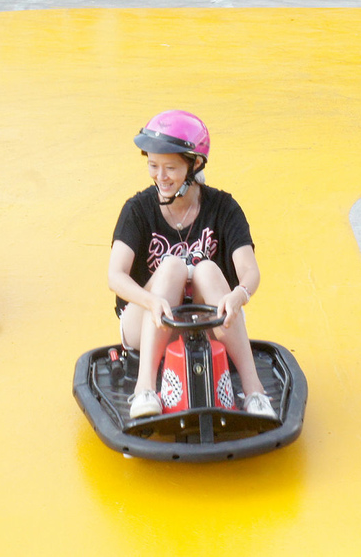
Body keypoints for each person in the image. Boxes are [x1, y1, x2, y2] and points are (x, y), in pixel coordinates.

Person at [107, 110, 277, 420]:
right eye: (153, 166)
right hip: (147, 321)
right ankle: (144, 388)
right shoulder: (138, 209)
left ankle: (254, 391)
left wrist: (238, 296)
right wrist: (151, 300)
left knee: (207, 269)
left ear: (194, 165)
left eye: (170, 167)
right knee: (171, 267)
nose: (161, 177)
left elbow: (249, 271)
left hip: (205, 323)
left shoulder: (223, 207)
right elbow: (115, 276)